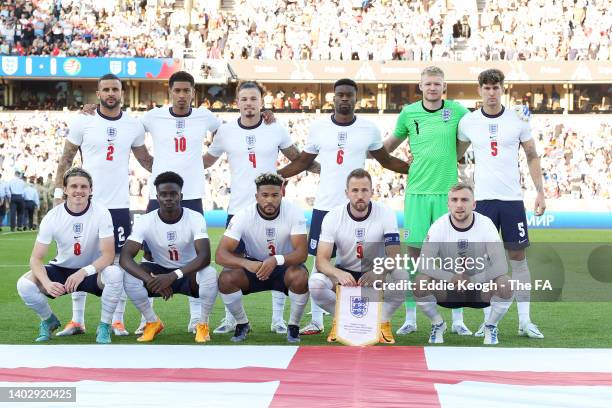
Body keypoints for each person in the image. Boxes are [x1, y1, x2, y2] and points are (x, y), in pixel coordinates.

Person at [278, 78, 411, 336]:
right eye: (340, 94)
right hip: (326, 207)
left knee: (363, 264)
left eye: (349, 95)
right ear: (333, 97)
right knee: (320, 266)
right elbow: (303, 162)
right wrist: (275, 175)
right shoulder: (318, 128)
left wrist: (413, 169)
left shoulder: (369, 128)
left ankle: (369, 319)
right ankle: (318, 321)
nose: (345, 99)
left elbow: (385, 161)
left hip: (358, 208)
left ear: (356, 97)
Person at [204, 81, 319, 335]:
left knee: (281, 262)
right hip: (239, 210)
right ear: (237, 102)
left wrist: (324, 168)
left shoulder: (274, 128)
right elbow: (205, 161)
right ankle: (232, 318)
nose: (248, 103)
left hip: (273, 208)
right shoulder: (225, 132)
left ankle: (278, 319)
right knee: (234, 267)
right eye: (243, 99)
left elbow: (298, 157)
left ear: (261, 102)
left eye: (253, 99)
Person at [53, 73, 153, 338]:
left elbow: (146, 161)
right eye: (106, 89)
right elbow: (66, 159)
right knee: (78, 257)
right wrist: (56, 194)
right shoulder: (83, 121)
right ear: (97, 93)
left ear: (122, 93)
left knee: (119, 263)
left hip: (119, 205)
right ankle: (77, 321)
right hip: (85, 203)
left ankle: (117, 321)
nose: (111, 93)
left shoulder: (133, 125)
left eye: (115, 89)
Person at [457, 68, 546, 339]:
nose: (491, 92)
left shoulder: (517, 119)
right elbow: (457, 155)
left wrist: (540, 192)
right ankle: (488, 322)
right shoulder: (468, 122)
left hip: (511, 200)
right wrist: (465, 182)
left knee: (518, 259)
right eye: (487, 88)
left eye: (496, 88)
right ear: (480, 90)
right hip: (482, 201)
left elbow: (532, 155)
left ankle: (524, 321)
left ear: (502, 89)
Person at [384, 66, 471, 336]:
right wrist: (406, 166)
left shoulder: (458, 111)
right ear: (420, 86)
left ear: (444, 87)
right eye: (428, 84)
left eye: (437, 84)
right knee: (414, 256)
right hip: (417, 194)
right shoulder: (409, 113)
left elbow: (468, 139)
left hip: (447, 194)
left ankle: (457, 318)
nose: (433, 88)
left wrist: (454, 155)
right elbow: (385, 148)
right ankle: (411, 316)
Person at [16, 167, 124, 344]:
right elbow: (36, 258)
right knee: (24, 285)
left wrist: (83, 272)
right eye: (74, 186)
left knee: (115, 274)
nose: (79, 191)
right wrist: (47, 283)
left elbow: (108, 255)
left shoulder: (101, 213)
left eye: (84, 186)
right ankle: (48, 320)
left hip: (92, 272)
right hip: (62, 269)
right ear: (65, 189)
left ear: (91, 190)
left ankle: (104, 325)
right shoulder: (52, 216)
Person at [309, 169, 408, 343]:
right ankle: (340, 320)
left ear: (372, 192)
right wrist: (338, 274)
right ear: (347, 193)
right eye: (355, 190)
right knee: (315, 283)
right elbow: (321, 260)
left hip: (374, 274)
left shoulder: (385, 213)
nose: (360, 195)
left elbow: (395, 256)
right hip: (344, 274)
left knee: (402, 276)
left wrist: (379, 271)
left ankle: (382, 321)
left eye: (364, 190)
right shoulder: (333, 217)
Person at [119, 171, 218, 343]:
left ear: (181, 195)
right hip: (159, 272)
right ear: (157, 197)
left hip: (188, 272)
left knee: (209, 273)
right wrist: (149, 280)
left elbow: (204, 256)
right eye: (164, 194)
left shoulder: (195, 217)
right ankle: (152, 322)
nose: (168, 198)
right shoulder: (145, 220)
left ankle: (202, 325)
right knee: (129, 276)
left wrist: (172, 276)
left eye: (173, 194)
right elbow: (125, 258)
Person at [215, 173, 309, 343]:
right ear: (256, 197)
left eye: (275, 195)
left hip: (283, 265)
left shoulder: (294, 212)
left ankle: (293, 326)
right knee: (226, 278)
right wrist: (246, 263)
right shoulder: (243, 216)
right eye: (264, 195)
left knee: (300, 276)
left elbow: (302, 253)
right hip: (254, 265)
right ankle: (242, 323)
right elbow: (220, 255)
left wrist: (276, 260)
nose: (269, 200)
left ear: (282, 194)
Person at [413, 183, 513, 345]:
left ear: (474, 204)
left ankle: (490, 326)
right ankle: (438, 324)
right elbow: (424, 264)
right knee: (420, 282)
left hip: (480, 289)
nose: (459, 205)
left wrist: (473, 280)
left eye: (465, 200)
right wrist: (450, 277)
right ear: (448, 204)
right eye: (454, 200)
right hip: (449, 289)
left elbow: (501, 265)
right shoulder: (439, 225)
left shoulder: (486, 224)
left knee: (505, 283)